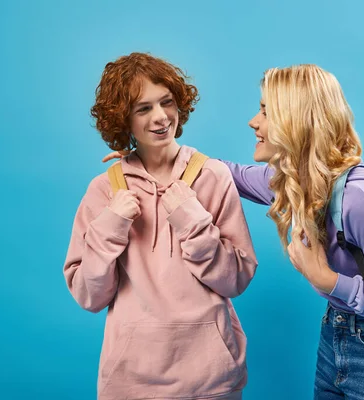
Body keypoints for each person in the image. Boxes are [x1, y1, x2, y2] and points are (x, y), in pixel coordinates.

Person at [104, 64, 364, 399]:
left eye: (266, 110)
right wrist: (150, 155)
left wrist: (327, 280)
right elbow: (224, 172)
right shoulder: (296, 184)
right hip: (336, 335)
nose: (254, 121)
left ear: (298, 119)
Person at [65, 52, 258, 400]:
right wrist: (111, 225)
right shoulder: (105, 189)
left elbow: (236, 279)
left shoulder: (212, 176)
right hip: (130, 381)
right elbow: (89, 296)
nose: (160, 117)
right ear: (123, 120)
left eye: (166, 103)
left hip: (210, 380)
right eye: (143, 109)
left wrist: (190, 218)